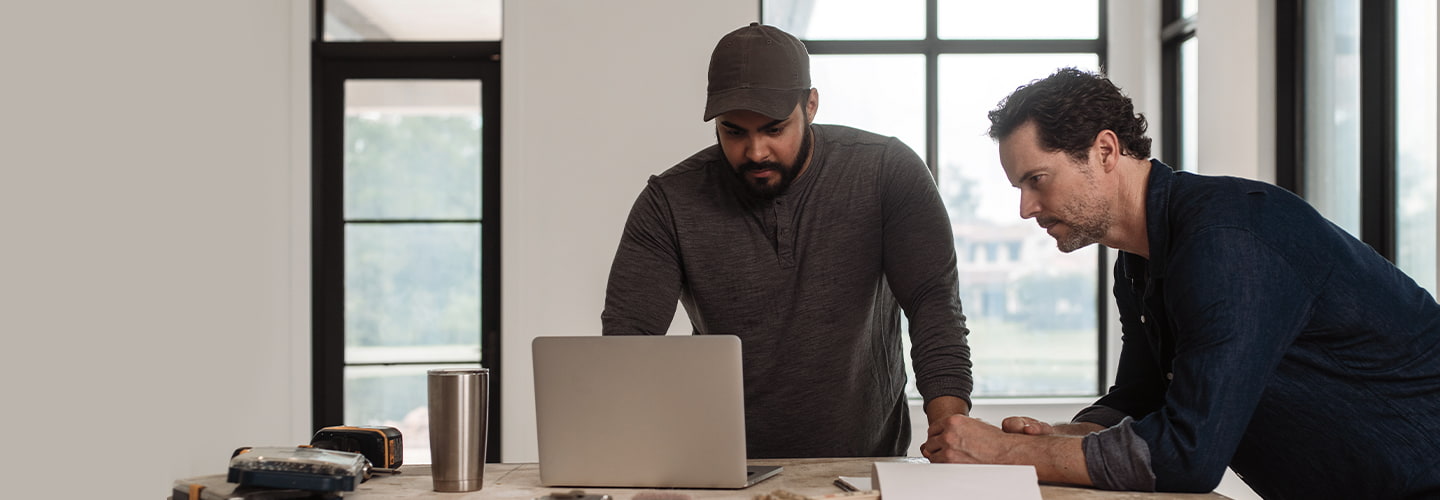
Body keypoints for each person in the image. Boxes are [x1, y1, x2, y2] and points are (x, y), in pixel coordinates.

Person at [921, 67, 1440, 498]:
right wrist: (1058, 435)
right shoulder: (1138, 258)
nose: (1025, 208)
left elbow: (1189, 454)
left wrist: (1007, 451)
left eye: (1037, 180)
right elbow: (1141, 395)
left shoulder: (1229, 238)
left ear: (1104, 151)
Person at [601, 23, 973, 459]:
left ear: (810, 104)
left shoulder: (887, 173)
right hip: (723, 466)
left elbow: (935, 310)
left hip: (867, 463)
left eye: (774, 129)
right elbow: (628, 347)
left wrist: (952, 438)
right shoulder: (668, 202)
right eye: (734, 131)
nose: (755, 151)